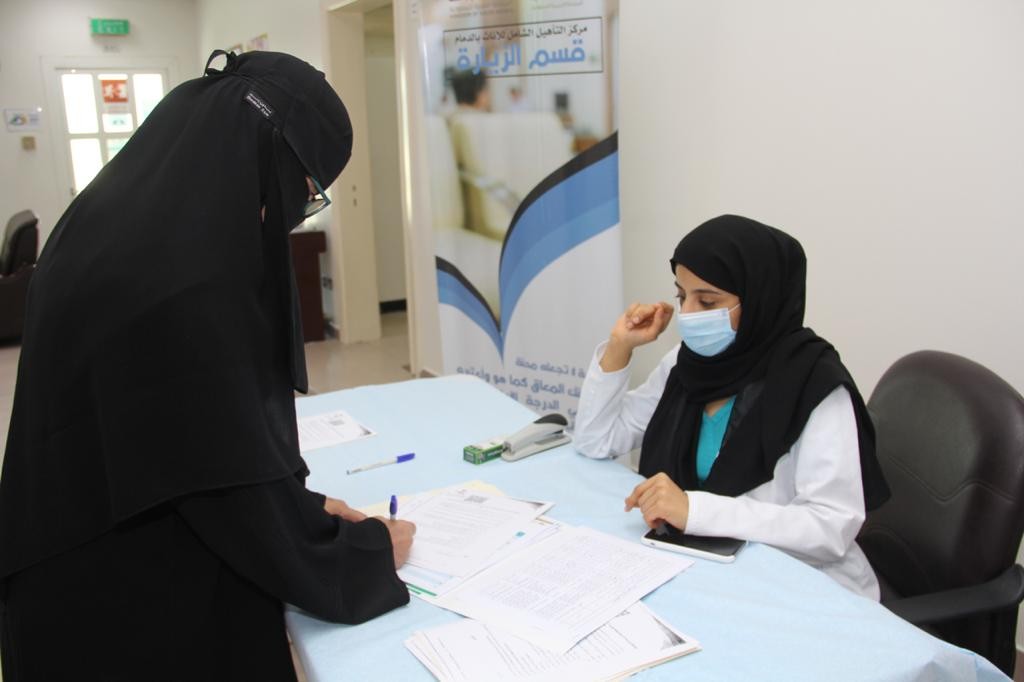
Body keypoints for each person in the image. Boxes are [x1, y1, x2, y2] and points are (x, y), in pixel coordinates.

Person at [0, 50, 415, 680]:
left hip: (74, 558)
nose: (289, 216)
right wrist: (367, 552)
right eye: (303, 194)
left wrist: (305, 508)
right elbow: (225, 488)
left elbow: (181, 448)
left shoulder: (110, 225)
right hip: (124, 615)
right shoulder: (179, 288)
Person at [573, 214, 889, 599]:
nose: (688, 314)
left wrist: (695, 511)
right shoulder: (688, 364)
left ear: (759, 299)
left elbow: (830, 527)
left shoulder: (815, 384)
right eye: (682, 296)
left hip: (803, 587)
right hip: (705, 569)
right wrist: (619, 345)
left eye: (707, 301)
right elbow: (596, 440)